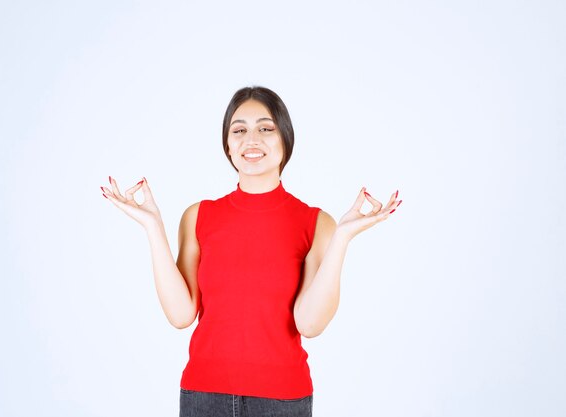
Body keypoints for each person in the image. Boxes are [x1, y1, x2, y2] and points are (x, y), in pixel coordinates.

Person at [100, 86, 402, 417]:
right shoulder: (198, 216)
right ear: (228, 146)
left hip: (283, 400)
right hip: (203, 396)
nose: (251, 139)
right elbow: (181, 314)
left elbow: (310, 323)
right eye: (239, 130)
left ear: (285, 140)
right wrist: (153, 226)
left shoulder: (317, 223)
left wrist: (343, 236)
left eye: (266, 128)